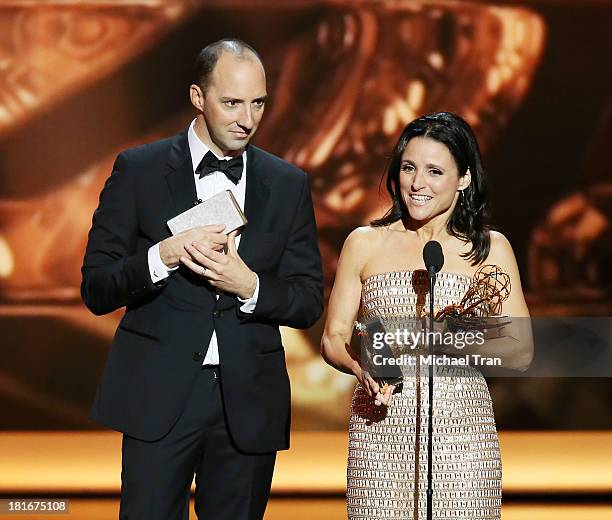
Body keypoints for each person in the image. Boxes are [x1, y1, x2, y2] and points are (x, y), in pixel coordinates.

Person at [81, 38, 323, 520]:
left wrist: (249, 284)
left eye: (258, 103)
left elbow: (307, 298)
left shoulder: (287, 183)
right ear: (198, 96)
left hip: (247, 402)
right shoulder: (139, 170)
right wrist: (161, 255)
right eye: (231, 102)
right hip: (160, 396)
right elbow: (97, 287)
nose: (247, 119)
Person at [321, 112, 533, 519]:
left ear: (465, 178)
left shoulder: (489, 248)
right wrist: (359, 368)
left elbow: (520, 351)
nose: (418, 184)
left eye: (435, 171)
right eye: (408, 168)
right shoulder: (364, 244)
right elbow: (333, 338)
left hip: (462, 436)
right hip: (380, 429)